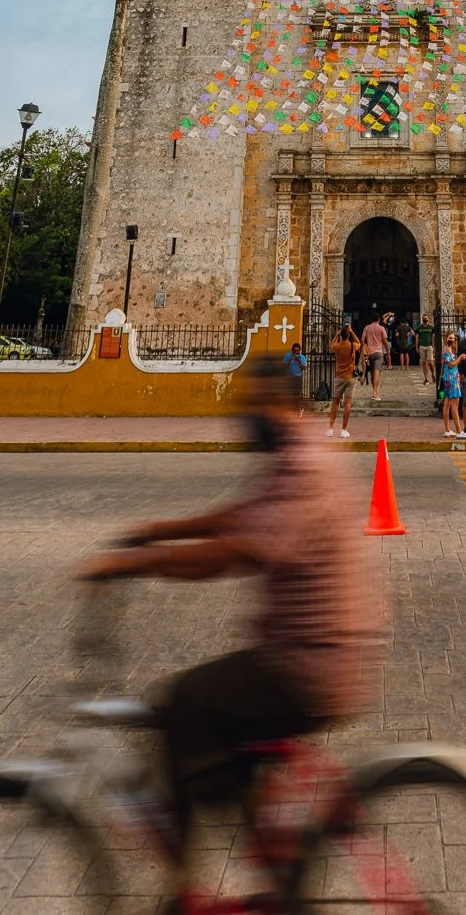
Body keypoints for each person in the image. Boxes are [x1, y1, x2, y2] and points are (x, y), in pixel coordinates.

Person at [78, 355, 380, 891]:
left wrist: (136, 563)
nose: (249, 415)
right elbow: (241, 514)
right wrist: (157, 529)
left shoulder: (304, 467)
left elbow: (234, 551)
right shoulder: (299, 450)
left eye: (260, 403)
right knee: (230, 738)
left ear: (288, 404)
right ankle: (265, 853)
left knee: (187, 701)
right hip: (310, 649)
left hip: (308, 659)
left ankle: (182, 875)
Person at [328, 324, 361, 439]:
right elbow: (359, 343)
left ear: (341, 336)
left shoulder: (337, 346)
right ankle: (343, 429)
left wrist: (336, 335)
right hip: (350, 377)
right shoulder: (352, 345)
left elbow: (331, 345)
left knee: (336, 401)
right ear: (348, 336)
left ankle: (331, 429)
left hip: (339, 376)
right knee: (348, 402)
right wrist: (352, 332)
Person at [440, 333, 466, 438]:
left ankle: (447, 429)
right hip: (451, 379)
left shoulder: (448, 349)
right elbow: (451, 365)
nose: (452, 339)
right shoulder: (447, 350)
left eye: (453, 338)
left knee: (447, 405)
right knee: (454, 405)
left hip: (449, 378)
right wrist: (460, 358)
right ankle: (459, 431)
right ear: (446, 339)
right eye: (450, 338)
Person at [361, 312, 390, 402]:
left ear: (371, 320)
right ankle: (374, 393)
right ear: (379, 319)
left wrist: (364, 348)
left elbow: (362, 340)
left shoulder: (367, 328)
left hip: (369, 353)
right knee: (377, 372)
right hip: (378, 353)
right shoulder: (381, 328)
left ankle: (375, 392)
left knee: (372, 374)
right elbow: (385, 341)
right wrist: (388, 352)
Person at [416, 314, 436, 385]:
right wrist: (416, 346)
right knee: (424, 363)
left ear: (428, 319)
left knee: (430, 362)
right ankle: (426, 379)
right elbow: (417, 337)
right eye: (424, 318)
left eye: (426, 318)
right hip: (422, 346)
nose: (425, 319)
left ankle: (433, 374)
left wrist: (433, 346)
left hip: (429, 346)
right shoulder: (419, 328)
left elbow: (433, 337)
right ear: (422, 319)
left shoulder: (431, 327)